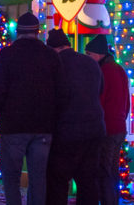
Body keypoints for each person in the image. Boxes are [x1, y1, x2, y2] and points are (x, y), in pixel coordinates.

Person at [0, 12, 62, 205]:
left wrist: (2, 115)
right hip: (43, 127)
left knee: (11, 179)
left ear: (17, 32)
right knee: (38, 178)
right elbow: (61, 90)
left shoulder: (6, 55)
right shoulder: (50, 56)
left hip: (13, 127)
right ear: (38, 32)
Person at [47, 28, 105, 205]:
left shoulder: (55, 65)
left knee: (57, 181)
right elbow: (99, 90)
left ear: (53, 48)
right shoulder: (90, 63)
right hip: (94, 128)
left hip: (67, 131)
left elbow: (53, 98)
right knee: (88, 181)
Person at [85, 34, 131, 205]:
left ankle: (107, 201)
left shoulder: (102, 72)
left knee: (104, 170)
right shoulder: (119, 70)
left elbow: (99, 101)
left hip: (107, 127)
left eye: (89, 54)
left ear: (98, 54)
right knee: (111, 169)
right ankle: (112, 200)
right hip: (119, 126)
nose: (88, 58)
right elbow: (127, 100)